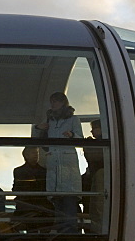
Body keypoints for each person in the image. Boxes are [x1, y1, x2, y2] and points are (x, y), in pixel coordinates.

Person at [34, 92, 84, 233]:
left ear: (63, 102)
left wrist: (72, 135)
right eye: (52, 101)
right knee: (58, 201)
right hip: (54, 163)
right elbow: (38, 142)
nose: (53, 104)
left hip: (67, 163)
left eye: (56, 101)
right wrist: (39, 129)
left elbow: (81, 139)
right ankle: (62, 231)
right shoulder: (49, 120)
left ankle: (69, 232)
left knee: (68, 200)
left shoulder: (74, 119)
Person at [12, 146, 49, 232]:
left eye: (37, 153)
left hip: (40, 204)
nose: (36, 155)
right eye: (33, 153)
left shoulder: (43, 171)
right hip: (27, 204)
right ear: (26, 155)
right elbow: (17, 189)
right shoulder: (19, 171)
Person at [81, 120, 106, 233]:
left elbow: (94, 159)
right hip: (97, 178)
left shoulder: (102, 144)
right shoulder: (106, 143)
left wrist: (88, 147)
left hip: (99, 179)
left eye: (94, 128)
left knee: (96, 205)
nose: (92, 132)